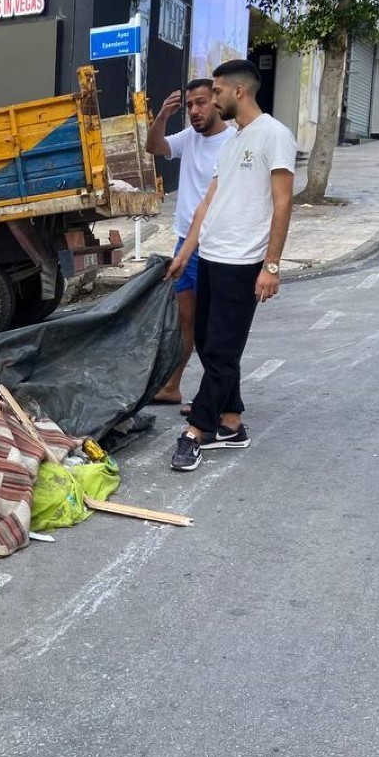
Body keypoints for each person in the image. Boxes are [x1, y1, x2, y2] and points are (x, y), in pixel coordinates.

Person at [165, 59, 297, 472]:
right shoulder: (233, 140)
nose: (214, 98)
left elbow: (283, 202)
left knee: (223, 348)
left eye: (218, 91)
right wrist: (185, 252)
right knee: (208, 341)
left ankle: (197, 430)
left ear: (239, 91)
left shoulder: (274, 135)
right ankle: (232, 421)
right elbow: (209, 201)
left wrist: (271, 266)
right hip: (211, 256)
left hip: (243, 261)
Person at [145, 77, 236, 411]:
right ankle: (173, 386)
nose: (194, 111)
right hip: (185, 242)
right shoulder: (189, 138)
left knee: (212, 324)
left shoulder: (233, 142)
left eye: (201, 102)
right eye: (189, 105)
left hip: (215, 244)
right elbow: (153, 147)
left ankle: (214, 396)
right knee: (185, 319)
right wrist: (161, 117)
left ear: (217, 102)